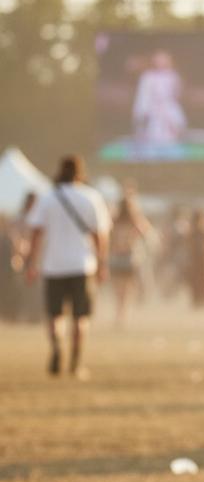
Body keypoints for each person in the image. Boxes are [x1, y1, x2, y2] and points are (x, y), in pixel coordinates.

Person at [24, 155, 110, 378]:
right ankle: (75, 360)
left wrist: (32, 263)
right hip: (83, 265)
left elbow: (35, 233)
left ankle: (56, 347)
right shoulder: (91, 197)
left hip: (53, 265)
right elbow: (100, 235)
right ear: (81, 173)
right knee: (80, 317)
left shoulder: (48, 198)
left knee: (55, 315)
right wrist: (102, 264)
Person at [108, 187, 154, 325]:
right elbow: (146, 231)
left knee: (118, 290)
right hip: (129, 258)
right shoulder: (135, 219)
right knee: (127, 290)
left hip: (116, 258)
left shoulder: (114, 220)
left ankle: (119, 314)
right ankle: (123, 315)